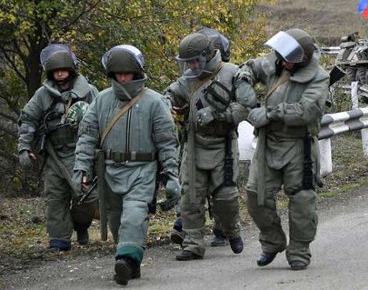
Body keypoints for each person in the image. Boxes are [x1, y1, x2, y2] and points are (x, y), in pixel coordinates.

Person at [72, 45, 180, 286]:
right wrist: (80, 169)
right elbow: (87, 137)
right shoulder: (101, 100)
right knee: (116, 220)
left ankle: (124, 260)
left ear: (136, 72)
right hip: (109, 170)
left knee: (134, 215)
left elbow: (167, 142)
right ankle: (131, 262)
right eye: (117, 74)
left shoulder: (154, 102)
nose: (122, 78)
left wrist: (172, 176)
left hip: (142, 170)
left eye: (127, 73)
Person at [235, 28, 329, 271]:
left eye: (290, 58)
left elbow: (307, 110)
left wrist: (269, 113)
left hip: (300, 145)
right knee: (255, 196)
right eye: (283, 56)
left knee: (302, 200)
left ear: (303, 59)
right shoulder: (274, 64)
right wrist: (244, 79)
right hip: (268, 143)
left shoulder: (318, 77)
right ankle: (273, 241)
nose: (285, 62)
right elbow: (249, 67)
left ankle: (299, 250)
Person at [165, 32, 246, 261]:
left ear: (207, 56)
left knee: (226, 196)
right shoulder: (189, 78)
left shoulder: (232, 73)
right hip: (194, 143)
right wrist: (167, 104)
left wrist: (218, 114)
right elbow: (172, 92)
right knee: (190, 196)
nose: (191, 66)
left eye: (194, 61)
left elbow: (244, 107)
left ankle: (232, 231)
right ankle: (192, 244)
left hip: (224, 143)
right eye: (187, 63)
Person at [17, 44, 99, 252]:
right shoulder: (42, 95)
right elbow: (28, 120)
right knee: (55, 197)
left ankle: (80, 225)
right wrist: (24, 147)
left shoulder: (89, 92)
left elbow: (103, 117)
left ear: (71, 70)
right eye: (56, 70)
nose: (60, 73)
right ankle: (59, 239)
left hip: (82, 152)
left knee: (86, 196)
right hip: (53, 153)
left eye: (63, 69)